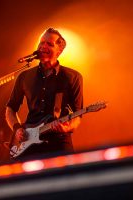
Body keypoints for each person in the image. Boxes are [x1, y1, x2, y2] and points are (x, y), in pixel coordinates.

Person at [5, 28, 83, 159]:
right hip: (28, 142)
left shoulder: (72, 77)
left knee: (64, 177)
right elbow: (10, 109)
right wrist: (17, 129)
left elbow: (78, 114)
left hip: (59, 141)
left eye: (49, 44)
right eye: (42, 42)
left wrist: (67, 128)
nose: (43, 46)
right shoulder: (24, 76)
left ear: (59, 51)